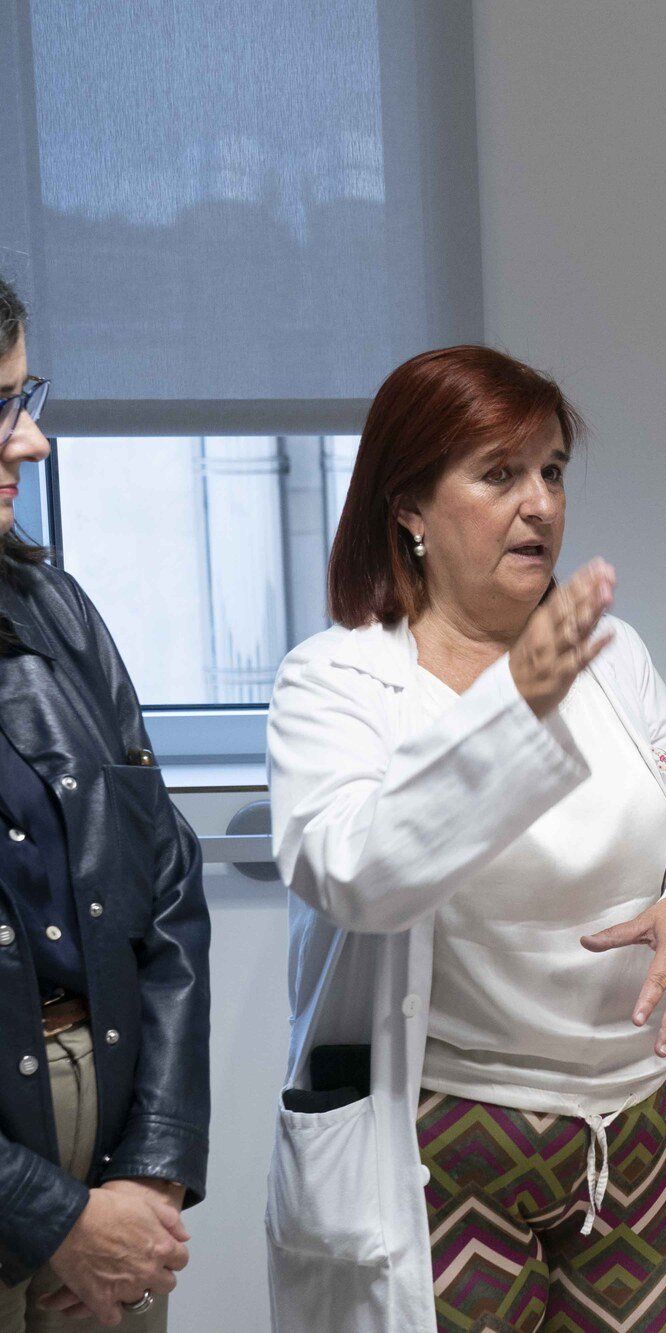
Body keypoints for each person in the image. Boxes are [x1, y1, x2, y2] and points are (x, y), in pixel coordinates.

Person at [265, 345, 666, 1331]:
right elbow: (356, 873)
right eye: (500, 474)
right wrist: (516, 702)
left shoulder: (613, 656)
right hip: (444, 1142)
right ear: (410, 508)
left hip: (638, 1131)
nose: (540, 503)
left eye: (552, 471)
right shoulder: (337, 681)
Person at [0, 275, 209, 1330]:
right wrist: (50, 1216)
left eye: (23, 397)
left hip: (114, 1180)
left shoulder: (56, 609)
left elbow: (167, 882)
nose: (32, 442)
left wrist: (150, 1171)